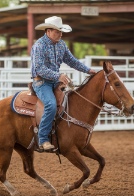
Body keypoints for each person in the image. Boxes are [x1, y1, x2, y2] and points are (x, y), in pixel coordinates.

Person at [31, 16, 97, 152]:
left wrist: (88, 70)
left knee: (72, 101)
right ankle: (43, 139)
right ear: (48, 31)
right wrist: (58, 75)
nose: (60, 34)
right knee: (50, 104)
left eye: (61, 31)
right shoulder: (39, 45)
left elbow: (72, 61)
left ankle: (63, 134)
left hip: (55, 81)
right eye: (57, 31)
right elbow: (39, 69)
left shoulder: (61, 44)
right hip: (41, 82)